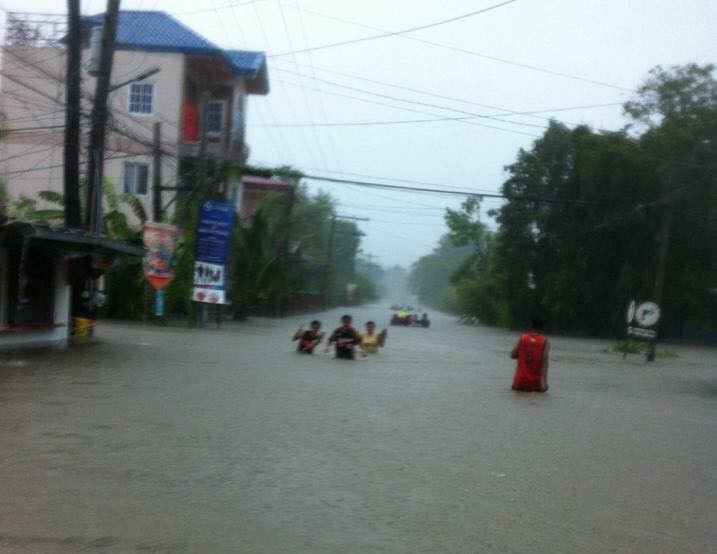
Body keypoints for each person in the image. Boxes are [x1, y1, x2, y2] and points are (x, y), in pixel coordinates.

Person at [510, 318, 550, 392]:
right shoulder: (545, 342)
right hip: (535, 383)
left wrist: (522, 355)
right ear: (542, 329)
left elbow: (512, 355)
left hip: (519, 381)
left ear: (531, 327)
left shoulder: (522, 338)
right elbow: (545, 363)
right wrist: (545, 383)